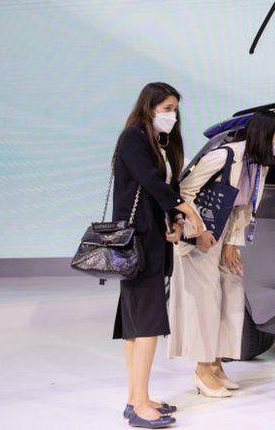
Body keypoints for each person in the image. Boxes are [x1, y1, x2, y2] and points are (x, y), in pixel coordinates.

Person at [168, 110, 275, 397]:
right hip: (200, 238)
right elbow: (185, 192)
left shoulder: (258, 165)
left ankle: (216, 363)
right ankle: (202, 369)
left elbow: (244, 207)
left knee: (230, 294)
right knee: (206, 300)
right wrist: (198, 229)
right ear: (262, 135)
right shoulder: (225, 156)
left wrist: (232, 243)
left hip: (224, 236)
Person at [113, 82, 202, 428]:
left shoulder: (160, 143)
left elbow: (166, 187)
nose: (172, 115)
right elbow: (152, 182)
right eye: (167, 108)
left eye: (175, 109)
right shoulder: (133, 138)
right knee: (144, 323)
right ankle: (139, 406)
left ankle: (136, 398)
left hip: (152, 240)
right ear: (149, 107)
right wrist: (186, 210)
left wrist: (176, 221)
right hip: (138, 243)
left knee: (137, 324)